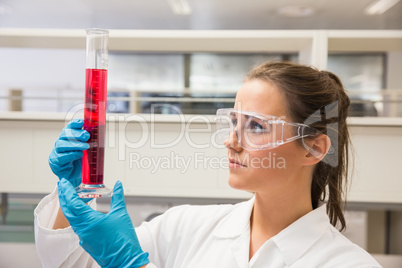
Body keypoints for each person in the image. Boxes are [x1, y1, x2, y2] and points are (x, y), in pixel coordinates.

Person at [34, 61, 382, 268]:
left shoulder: (345, 263)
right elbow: (73, 264)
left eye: (256, 126)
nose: (231, 141)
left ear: (314, 148)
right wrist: (73, 195)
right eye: (233, 122)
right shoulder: (185, 227)